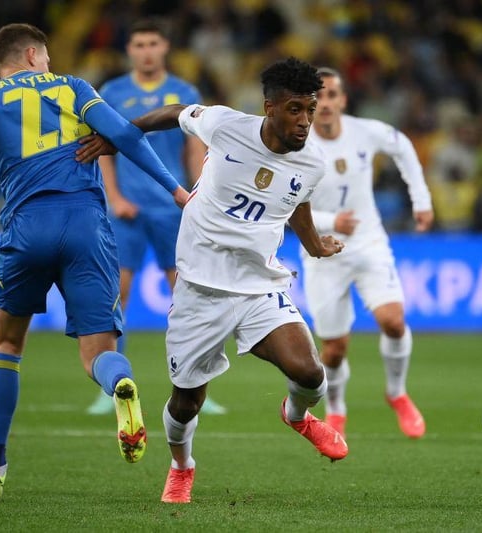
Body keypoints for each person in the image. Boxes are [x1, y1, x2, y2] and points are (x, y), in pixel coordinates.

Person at [0, 23, 188, 502]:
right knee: (98, 351)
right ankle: (120, 380)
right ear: (36, 54)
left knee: (8, 345)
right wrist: (177, 189)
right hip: (85, 226)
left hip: (26, 226)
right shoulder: (74, 86)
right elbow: (124, 135)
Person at [84, 57, 350, 504]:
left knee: (309, 373)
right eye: (294, 110)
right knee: (186, 402)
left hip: (258, 286)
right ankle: (181, 466)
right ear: (270, 108)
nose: (305, 121)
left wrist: (313, 245)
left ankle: (297, 415)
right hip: (199, 291)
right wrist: (122, 135)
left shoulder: (312, 163)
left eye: (310, 109)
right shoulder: (225, 125)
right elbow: (173, 112)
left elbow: (296, 200)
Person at [85, 19, 226, 416]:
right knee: (117, 296)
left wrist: (198, 192)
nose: (146, 50)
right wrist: (113, 196)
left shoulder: (184, 92)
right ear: (130, 50)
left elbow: (194, 149)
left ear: (165, 48)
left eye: (153, 43)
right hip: (127, 209)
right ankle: (110, 387)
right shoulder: (112, 92)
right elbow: (105, 148)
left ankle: (197, 386)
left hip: (172, 206)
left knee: (188, 296)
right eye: (139, 44)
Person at [301, 67, 433, 440]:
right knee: (335, 349)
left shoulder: (365, 131)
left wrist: (421, 199)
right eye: (317, 97)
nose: (324, 103)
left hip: (368, 243)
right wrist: (329, 220)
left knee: (394, 321)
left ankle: (397, 393)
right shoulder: (298, 143)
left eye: (331, 95)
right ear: (308, 103)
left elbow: (403, 146)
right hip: (321, 250)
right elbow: (288, 202)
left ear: (342, 100)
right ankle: (337, 408)